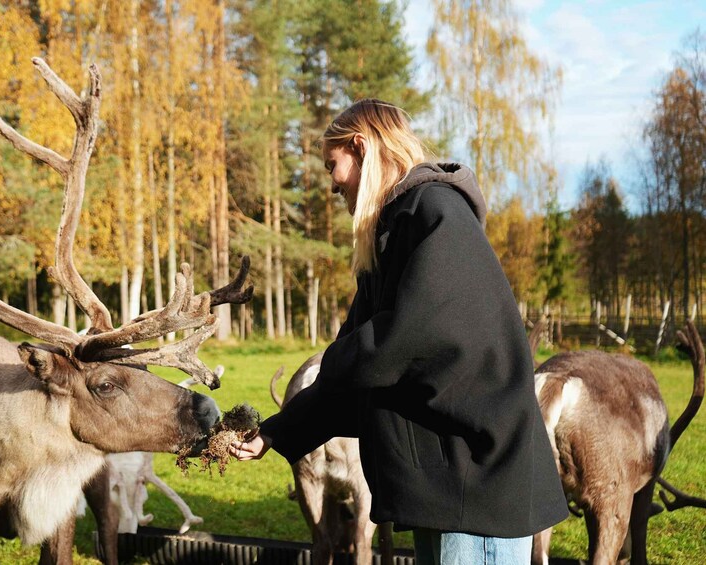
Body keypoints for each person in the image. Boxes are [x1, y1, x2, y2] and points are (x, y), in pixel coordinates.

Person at [230, 99, 567, 564]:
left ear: (361, 147)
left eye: (333, 165)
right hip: (445, 485)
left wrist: (334, 359)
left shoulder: (435, 213)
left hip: (477, 483)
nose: (331, 184)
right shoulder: (390, 238)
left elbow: (398, 342)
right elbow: (356, 372)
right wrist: (275, 433)